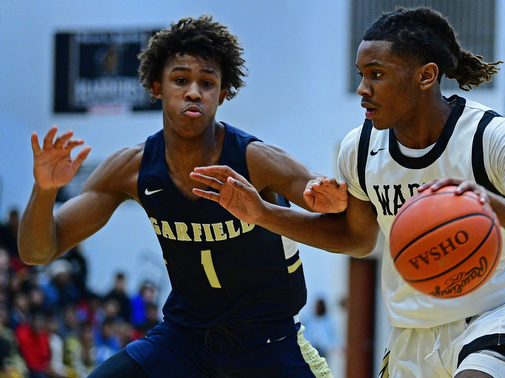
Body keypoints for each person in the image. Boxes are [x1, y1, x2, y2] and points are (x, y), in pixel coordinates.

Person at [191, 6, 505, 378]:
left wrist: (488, 202)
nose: (362, 89)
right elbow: (357, 240)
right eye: (361, 74)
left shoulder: (490, 138)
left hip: (495, 316)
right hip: (411, 332)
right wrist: (261, 213)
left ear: (426, 76)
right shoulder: (359, 149)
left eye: (376, 74)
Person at [18, 15, 335, 378]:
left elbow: (330, 207)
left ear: (223, 93)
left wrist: (334, 196)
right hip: (183, 341)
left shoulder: (256, 159)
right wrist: (44, 192)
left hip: (268, 344)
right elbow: (37, 251)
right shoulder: (131, 168)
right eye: (180, 80)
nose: (193, 92)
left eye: (207, 82)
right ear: (156, 87)